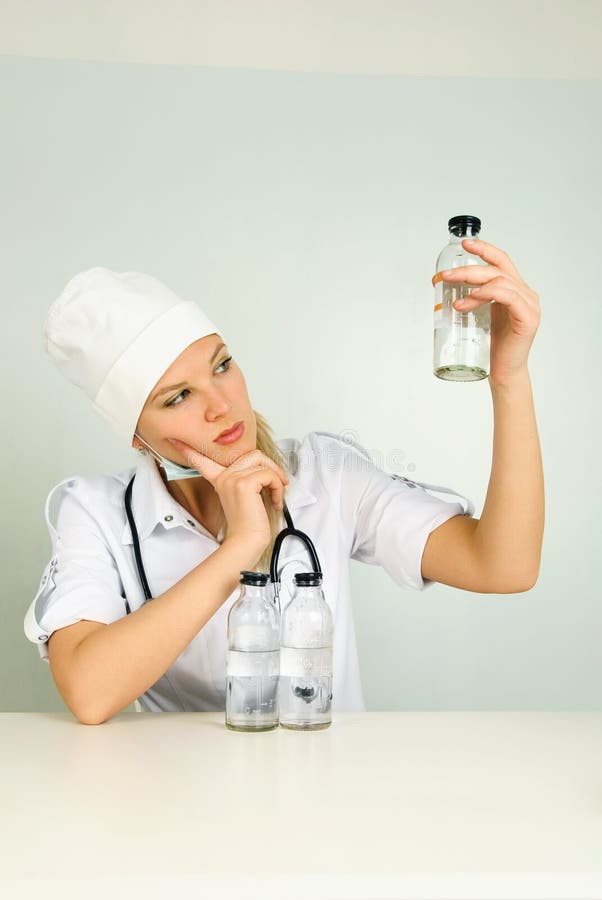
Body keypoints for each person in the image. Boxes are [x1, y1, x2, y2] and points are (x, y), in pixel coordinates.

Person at [24, 243, 544, 725]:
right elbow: (89, 694)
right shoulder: (96, 511)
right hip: (179, 806)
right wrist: (240, 548)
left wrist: (510, 378)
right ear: (138, 436)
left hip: (328, 797)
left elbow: (504, 565)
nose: (221, 405)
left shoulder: (327, 475)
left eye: (222, 366)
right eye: (178, 397)